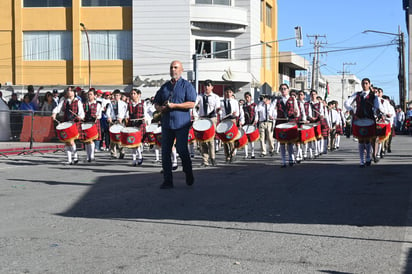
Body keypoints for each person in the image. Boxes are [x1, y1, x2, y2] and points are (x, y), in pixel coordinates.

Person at [153, 60, 197, 189]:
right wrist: (160, 108)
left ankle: (188, 172)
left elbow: (192, 103)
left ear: (181, 70)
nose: (173, 70)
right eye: (171, 67)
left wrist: (175, 105)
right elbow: (156, 102)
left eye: (176, 67)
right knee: (165, 151)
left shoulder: (187, 86)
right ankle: (168, 180)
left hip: (181, 123)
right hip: (167, 124)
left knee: (181, 149)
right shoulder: (165, 87)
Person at [344, 78, 385, 167]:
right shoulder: (357, 94)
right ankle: (362, 161)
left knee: (368, 139)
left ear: (369, 84)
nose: (364, 85)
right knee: (361, 140)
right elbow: (347, 103)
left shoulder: (373, 96)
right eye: (363, 83)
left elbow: (379, 107)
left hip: (369, 119)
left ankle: (368, 158)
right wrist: (350, 109)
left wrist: (378, 111)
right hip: (359, 119)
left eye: (366, 83)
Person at [52, 86, 85, 165]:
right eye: (68, 91)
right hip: (66, 122)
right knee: (66, 141)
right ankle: (69, 160)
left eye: (71, 91)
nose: (69, 92)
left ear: (74, 92)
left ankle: (76, 157)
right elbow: (58, 108)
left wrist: (80, 117)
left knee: (71, 140)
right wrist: (54, 113)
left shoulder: (78, 101)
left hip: (74, 123)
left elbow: (81, 112)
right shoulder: (64, 101)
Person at [273, 84, 300, 167]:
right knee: (281, 142)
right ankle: (283, 161)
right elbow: (272, 109)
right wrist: (272, 115)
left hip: (290, 122)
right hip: (280, 122)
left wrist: (296, 114)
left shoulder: (293, 99)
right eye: (281, 89)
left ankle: (291, 159)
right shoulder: (277, 100)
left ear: (288, 90)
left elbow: (297, 111)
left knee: (290, 142)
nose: (283, 90)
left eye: (285, 89)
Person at [195, 79, 220, 167]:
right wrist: (196, 114)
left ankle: (213, 158)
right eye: (205, 86)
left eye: (208, 85)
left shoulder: (215, 97)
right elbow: (194, 104)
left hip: (212, 118)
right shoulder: (200, 96)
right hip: (203, 119)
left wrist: (218, 110)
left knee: (211, 139)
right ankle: (205, 160)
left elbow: (218, 107)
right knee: (202, 140)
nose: (206, 87)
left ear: (212, 87)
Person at [126, 88, 146, 166]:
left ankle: (139, 157)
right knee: (132, 142)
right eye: (131, 94)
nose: (132, 95)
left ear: (138, 95)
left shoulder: (143, 103)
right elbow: (126, 114)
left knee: (137, 142)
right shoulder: (129, 104)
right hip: (132, 124)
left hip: (140, 124)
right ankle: (134, 159)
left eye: (134, 93)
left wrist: (146, 119)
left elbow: (148, 112)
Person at [219, 86, 240, 163]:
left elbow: (237, 112)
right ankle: (227, 155)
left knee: (231, 138)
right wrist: (220, 113)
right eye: (227, 92)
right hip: (224, 120)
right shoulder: (221, 102)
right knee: (224, 139)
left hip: (232, 120)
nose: (228, 94)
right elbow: (219, 112)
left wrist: (235, 114)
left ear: (232, 93)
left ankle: (232, 154)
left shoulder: (234, 102)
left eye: (230, 92)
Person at [81, 89, 102, 162]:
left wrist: (96, 116)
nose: (89, 96)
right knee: (86, 140)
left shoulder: (98, 104)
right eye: (88, 94)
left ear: (94, 96)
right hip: (86, 122)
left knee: (91, 140)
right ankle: (88, 155)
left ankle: (92, 155)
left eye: (90, 94)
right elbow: (81, 113)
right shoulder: (84, 104)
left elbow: (99, 116)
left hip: (93, 123)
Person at [108, 89, 127, 159]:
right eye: (115, 95)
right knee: (112, 138)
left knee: (120, 137)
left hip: (120, 121)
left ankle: (122, 151)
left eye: (118, 95)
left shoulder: (123, 104)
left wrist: (122, 118)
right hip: (113, 121)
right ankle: (113, 153)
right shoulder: (111, 103)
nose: (116, 97)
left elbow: (125, 113)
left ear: (120, 96)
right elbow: (108, 112)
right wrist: (109, 117)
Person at [242, 91, 258, 159]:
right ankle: (246, 154)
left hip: (252, 123)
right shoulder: (243, 106)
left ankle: (252, 153)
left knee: (252, 139)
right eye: (246, 97)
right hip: (245, 123)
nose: (247, 98)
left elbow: (256, 113)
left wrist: (255, 120)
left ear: (250, 97)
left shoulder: (254, 105)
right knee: (245, 139)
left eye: (248, 97)